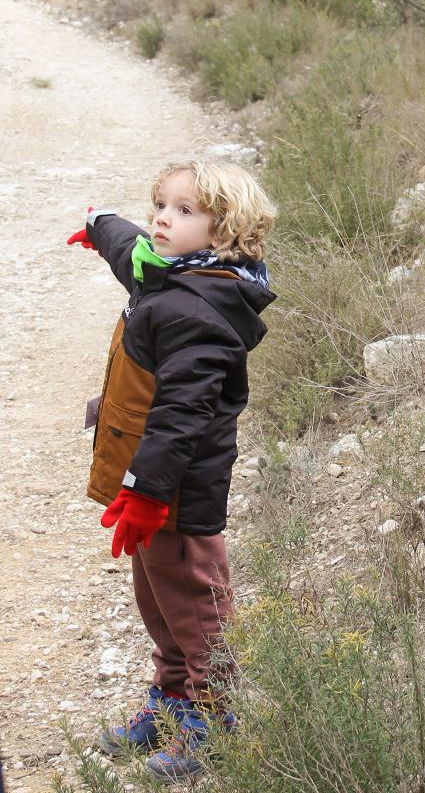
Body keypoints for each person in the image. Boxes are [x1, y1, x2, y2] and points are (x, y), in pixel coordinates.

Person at [67, 159, 277, 782]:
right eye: (161, 204)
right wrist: (99, 223)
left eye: (184, 211)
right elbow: (131, 249)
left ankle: (215, 719)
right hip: (152, 489)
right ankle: (172, 699)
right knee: (158, 601)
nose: (162, 218)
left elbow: (183, 413)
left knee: (195, 606)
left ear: (224, 232)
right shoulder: (169, 272)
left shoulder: (202, 310)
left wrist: (147, 493)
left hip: (177, 496)